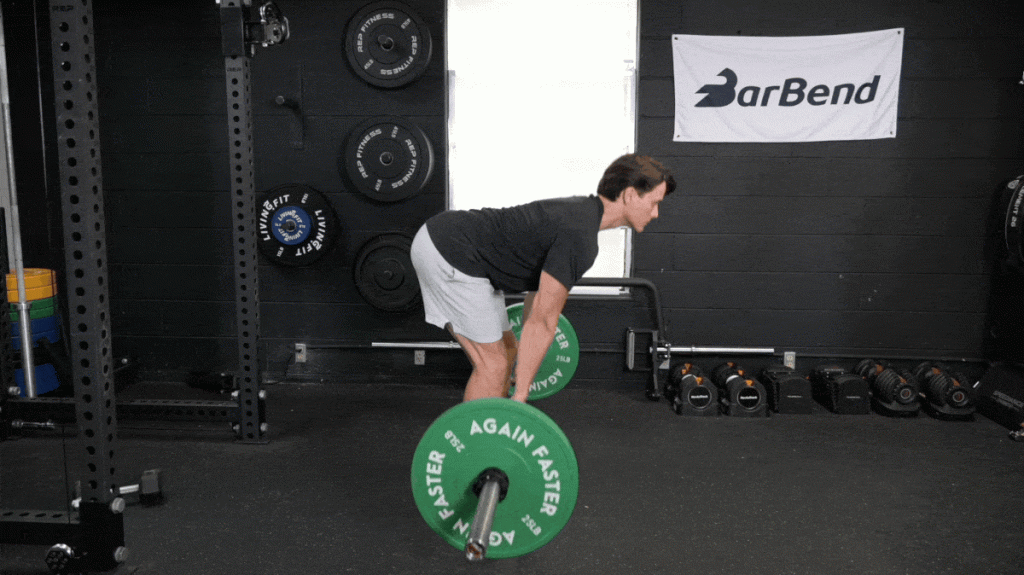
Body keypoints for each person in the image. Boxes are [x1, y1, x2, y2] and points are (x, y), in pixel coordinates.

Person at [410, 154, 675, 403]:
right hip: (449, 249)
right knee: (493, 365)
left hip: (456, 247)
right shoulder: (580, 235)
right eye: (654, 202)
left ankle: (496, 422)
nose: (656, 214)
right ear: (630, 195)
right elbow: (544, 321)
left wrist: (521, 384)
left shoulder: (583, 214)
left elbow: (536, 304)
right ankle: (476, 449)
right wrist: (521, 395)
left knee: (508, 349)